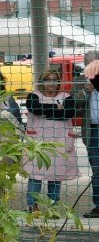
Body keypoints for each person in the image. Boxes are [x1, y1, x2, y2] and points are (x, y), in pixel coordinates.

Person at [25, 68, 79, 210]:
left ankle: (52, 207)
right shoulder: (33, 95)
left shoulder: (66, 96)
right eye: (48, 79)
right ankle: (32, 206)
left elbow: (69, 113)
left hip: (60, 141)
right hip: (37, 141)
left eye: (54, 80)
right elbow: (35, 108)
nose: (51, 83)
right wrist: (57, 107)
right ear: (42, 82)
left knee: (56, 175)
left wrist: (47, 111)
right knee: (35, 174)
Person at [81, 55, 99, 218]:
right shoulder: (79, 80)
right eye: (87, 64)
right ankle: (98, 205)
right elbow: (73, 103)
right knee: (97, 170)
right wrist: (86, 90)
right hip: (92, 131)